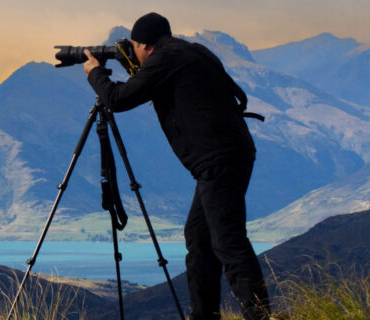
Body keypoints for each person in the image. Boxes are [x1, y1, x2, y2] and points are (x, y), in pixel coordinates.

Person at [82, 12, 271, 320]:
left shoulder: (166, 58)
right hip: (227, 156)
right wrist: (134, 70)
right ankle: (204, 314)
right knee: (199, 237)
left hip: (219, 160)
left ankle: (260, 316)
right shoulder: (188, 52)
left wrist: (94, 73)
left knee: (227, 239)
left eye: (134, 48)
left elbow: (118, 99)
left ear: (143, 44)